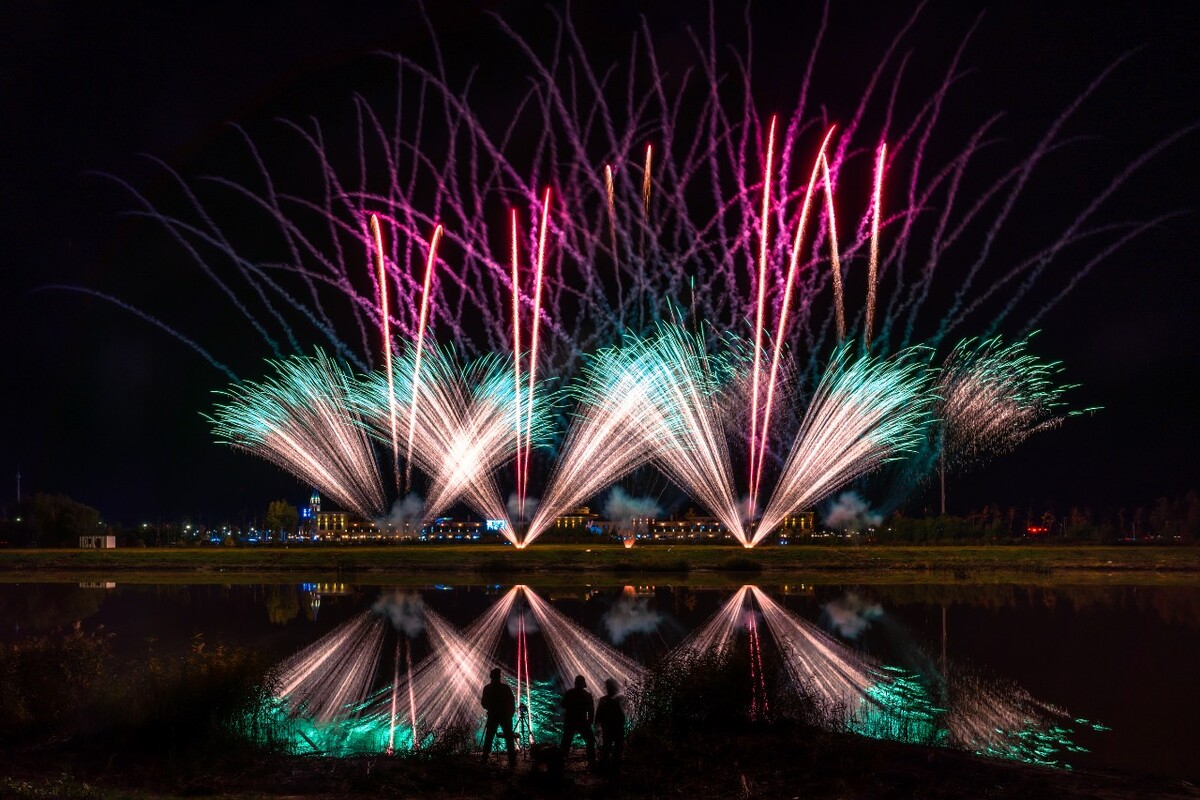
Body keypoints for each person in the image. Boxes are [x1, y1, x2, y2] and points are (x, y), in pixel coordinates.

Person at [480, 667, 517, 767]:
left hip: (494, 715)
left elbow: (483, 703)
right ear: (499, 676)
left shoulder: (487, 688)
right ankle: (512, 759)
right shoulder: (505, 688)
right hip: (505, 716)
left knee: (489, 737)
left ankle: (484, 757)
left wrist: (490, 708)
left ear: (491, 677)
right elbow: (512, 701)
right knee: (508, 737)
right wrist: (511, 713)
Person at [559, 674, 595, 765]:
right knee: (590, 740)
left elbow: (563, 705)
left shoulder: (569, 693)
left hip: (571, 721)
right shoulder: (587, 695)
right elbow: (591, 710)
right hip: (582, 721)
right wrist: (590, 721)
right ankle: (591, 762)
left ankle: (561, 761)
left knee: (566, 741)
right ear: (583, 684)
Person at [594, 677, 625, 770]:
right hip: (613, 726)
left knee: (611, 745)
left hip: (612, 726)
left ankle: (609, 764)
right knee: (612, 745)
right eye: (608, 687)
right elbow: (599, 714)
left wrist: (596, 725)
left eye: (609, 686)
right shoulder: (617, 699)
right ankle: (610, 765)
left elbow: (598, 714)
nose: (608, 688)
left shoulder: (610, 699)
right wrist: (596, 725)